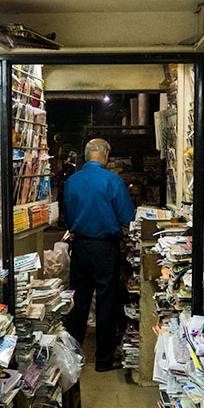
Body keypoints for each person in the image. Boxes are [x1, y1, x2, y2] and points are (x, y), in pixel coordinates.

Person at [63, 138, 135, 371]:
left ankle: (73, 356)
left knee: (79, 303)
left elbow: (67, 216)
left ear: (86, 156)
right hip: (105, 247)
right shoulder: (112, 180)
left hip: (80, 247)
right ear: (105, 156)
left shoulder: (72, 181)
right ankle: (103, 360)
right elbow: (127, 215)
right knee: (106, 302)